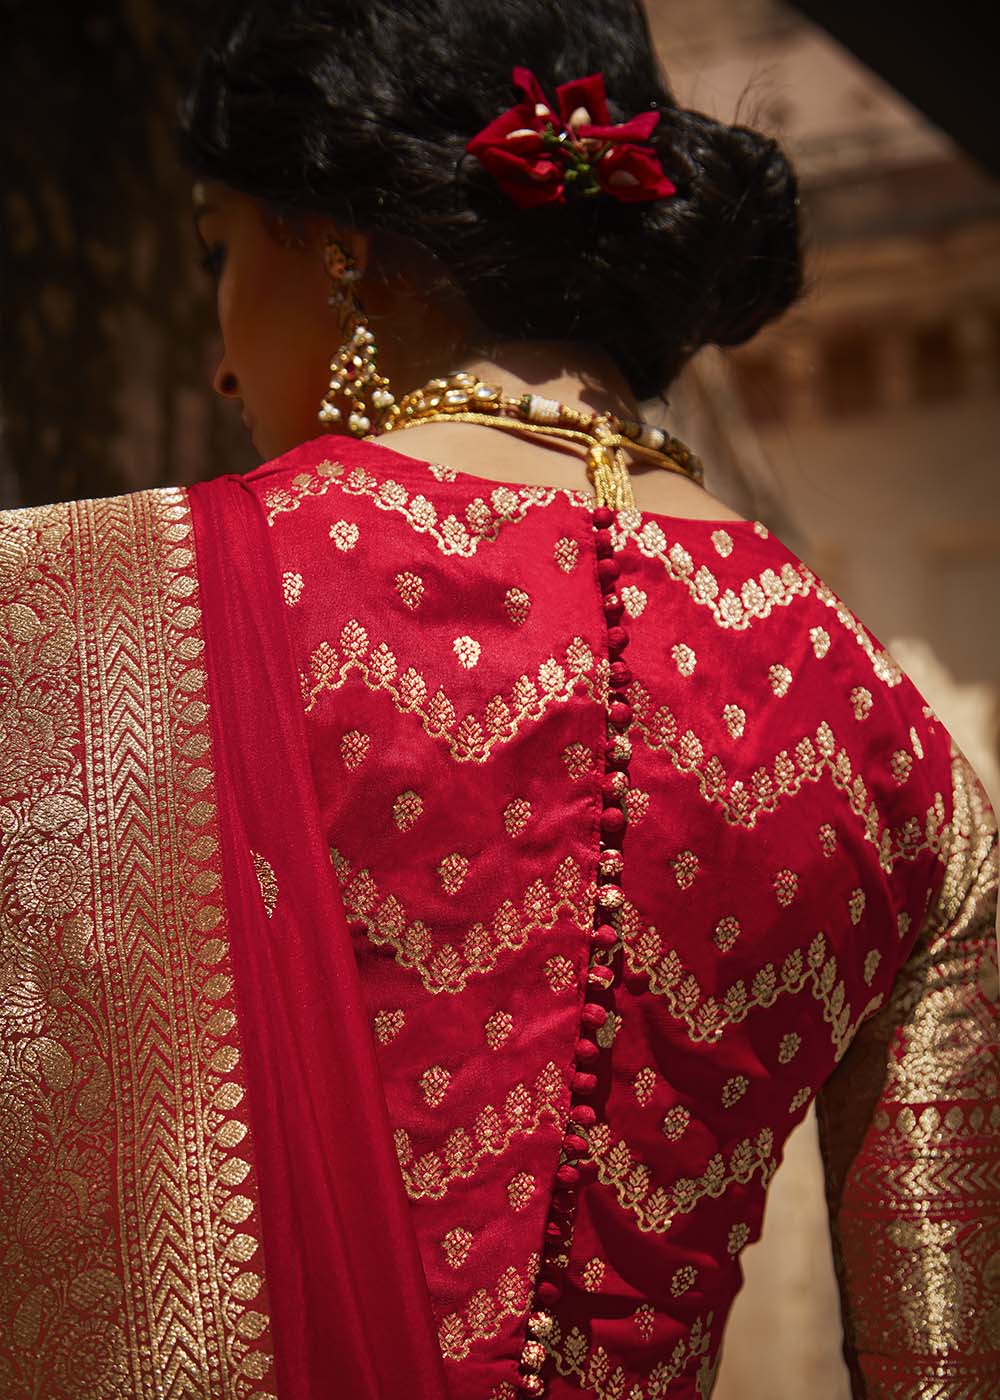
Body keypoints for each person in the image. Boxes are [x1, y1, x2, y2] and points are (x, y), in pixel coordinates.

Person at [1, 1, 996, 1397]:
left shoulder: (67, 616)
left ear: (338, 245)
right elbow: (948, 1361)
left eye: (222, 251)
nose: (220, 356)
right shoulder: (896, 749)